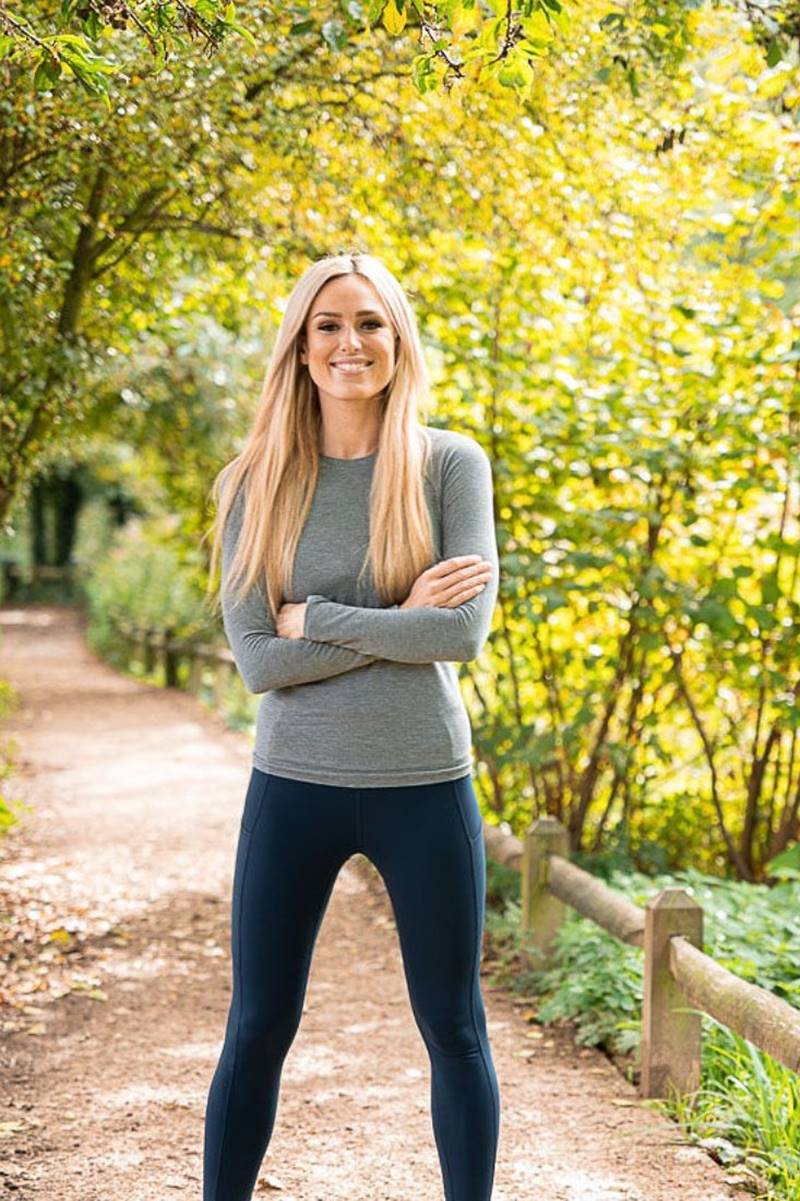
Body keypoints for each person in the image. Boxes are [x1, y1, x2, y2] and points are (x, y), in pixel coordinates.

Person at [202, 251, 501, 1201]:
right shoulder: (256, 480)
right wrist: (393, 618)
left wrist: (321, 615)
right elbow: (259, 660)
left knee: (453, 1027)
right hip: (293, 786)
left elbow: (458, 631)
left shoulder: (450, 464)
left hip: (423, 782)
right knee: (256, 1026)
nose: (350, 343)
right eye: (328, 324)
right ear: (299, 347)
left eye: (370, 323)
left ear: (398, 339)